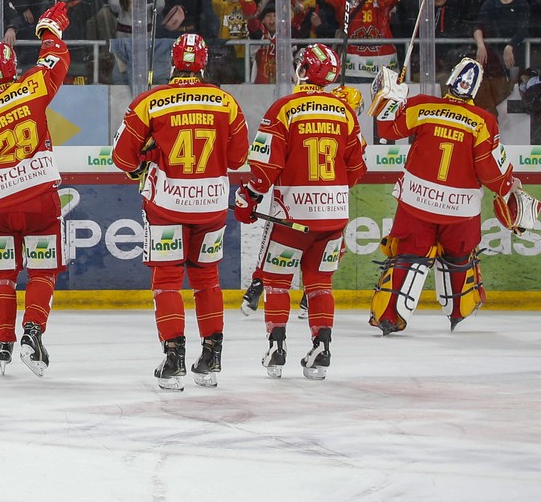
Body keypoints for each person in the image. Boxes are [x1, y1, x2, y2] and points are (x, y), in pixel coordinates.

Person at [111, 35, 250, 390]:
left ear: (172, 62)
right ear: (203, 63)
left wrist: (144, 159)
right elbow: (237, 159)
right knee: (207, 280)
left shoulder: (151, 102)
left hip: (168, 206)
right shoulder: (225, 102)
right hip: (212, 205)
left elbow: (123, 158)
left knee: (168, 280)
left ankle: (174, 358)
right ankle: (212, 356)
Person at [367, 59, 533, 334]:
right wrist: (509, 185)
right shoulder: (483, 121)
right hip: (460, 209)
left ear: (450, 80)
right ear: (476, 89)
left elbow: (387, 131)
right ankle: (458, 310)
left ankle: (388, 316)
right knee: (459, 258)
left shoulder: (422, 105)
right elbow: (490, 172)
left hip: (416, 202)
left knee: (407, 256)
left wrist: (389, 99)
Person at [233, 44, 366, 381]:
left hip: (292, 217)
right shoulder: (344, 111)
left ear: (303, 71)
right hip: (333, 217)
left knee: (277, 284)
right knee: (320, 284)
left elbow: (265, 168)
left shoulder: (284, 108)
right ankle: (322, 345)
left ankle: (277, 346)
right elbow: (357, 168)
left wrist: (248, 198)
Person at [0, 2, 71, 374]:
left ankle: (3, 344)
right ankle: (32, 331)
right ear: (12, 66)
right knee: (42, 272)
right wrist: (48, 30)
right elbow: (57, 59)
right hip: (39, 197)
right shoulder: (33, 85)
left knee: (2, 276)